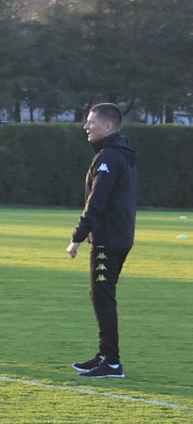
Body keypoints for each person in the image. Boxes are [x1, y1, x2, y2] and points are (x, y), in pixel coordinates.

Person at [66, 103, 137, 379]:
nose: (86, 126)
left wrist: (77, 237)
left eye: (91, 122)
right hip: (118, 235)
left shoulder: (109, 157)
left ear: (107, 126)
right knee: (101, 294)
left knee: (102, 295)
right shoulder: (120, 152)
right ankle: (105, 355)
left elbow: (97, 201)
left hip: (109, 238)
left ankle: (113, 362)